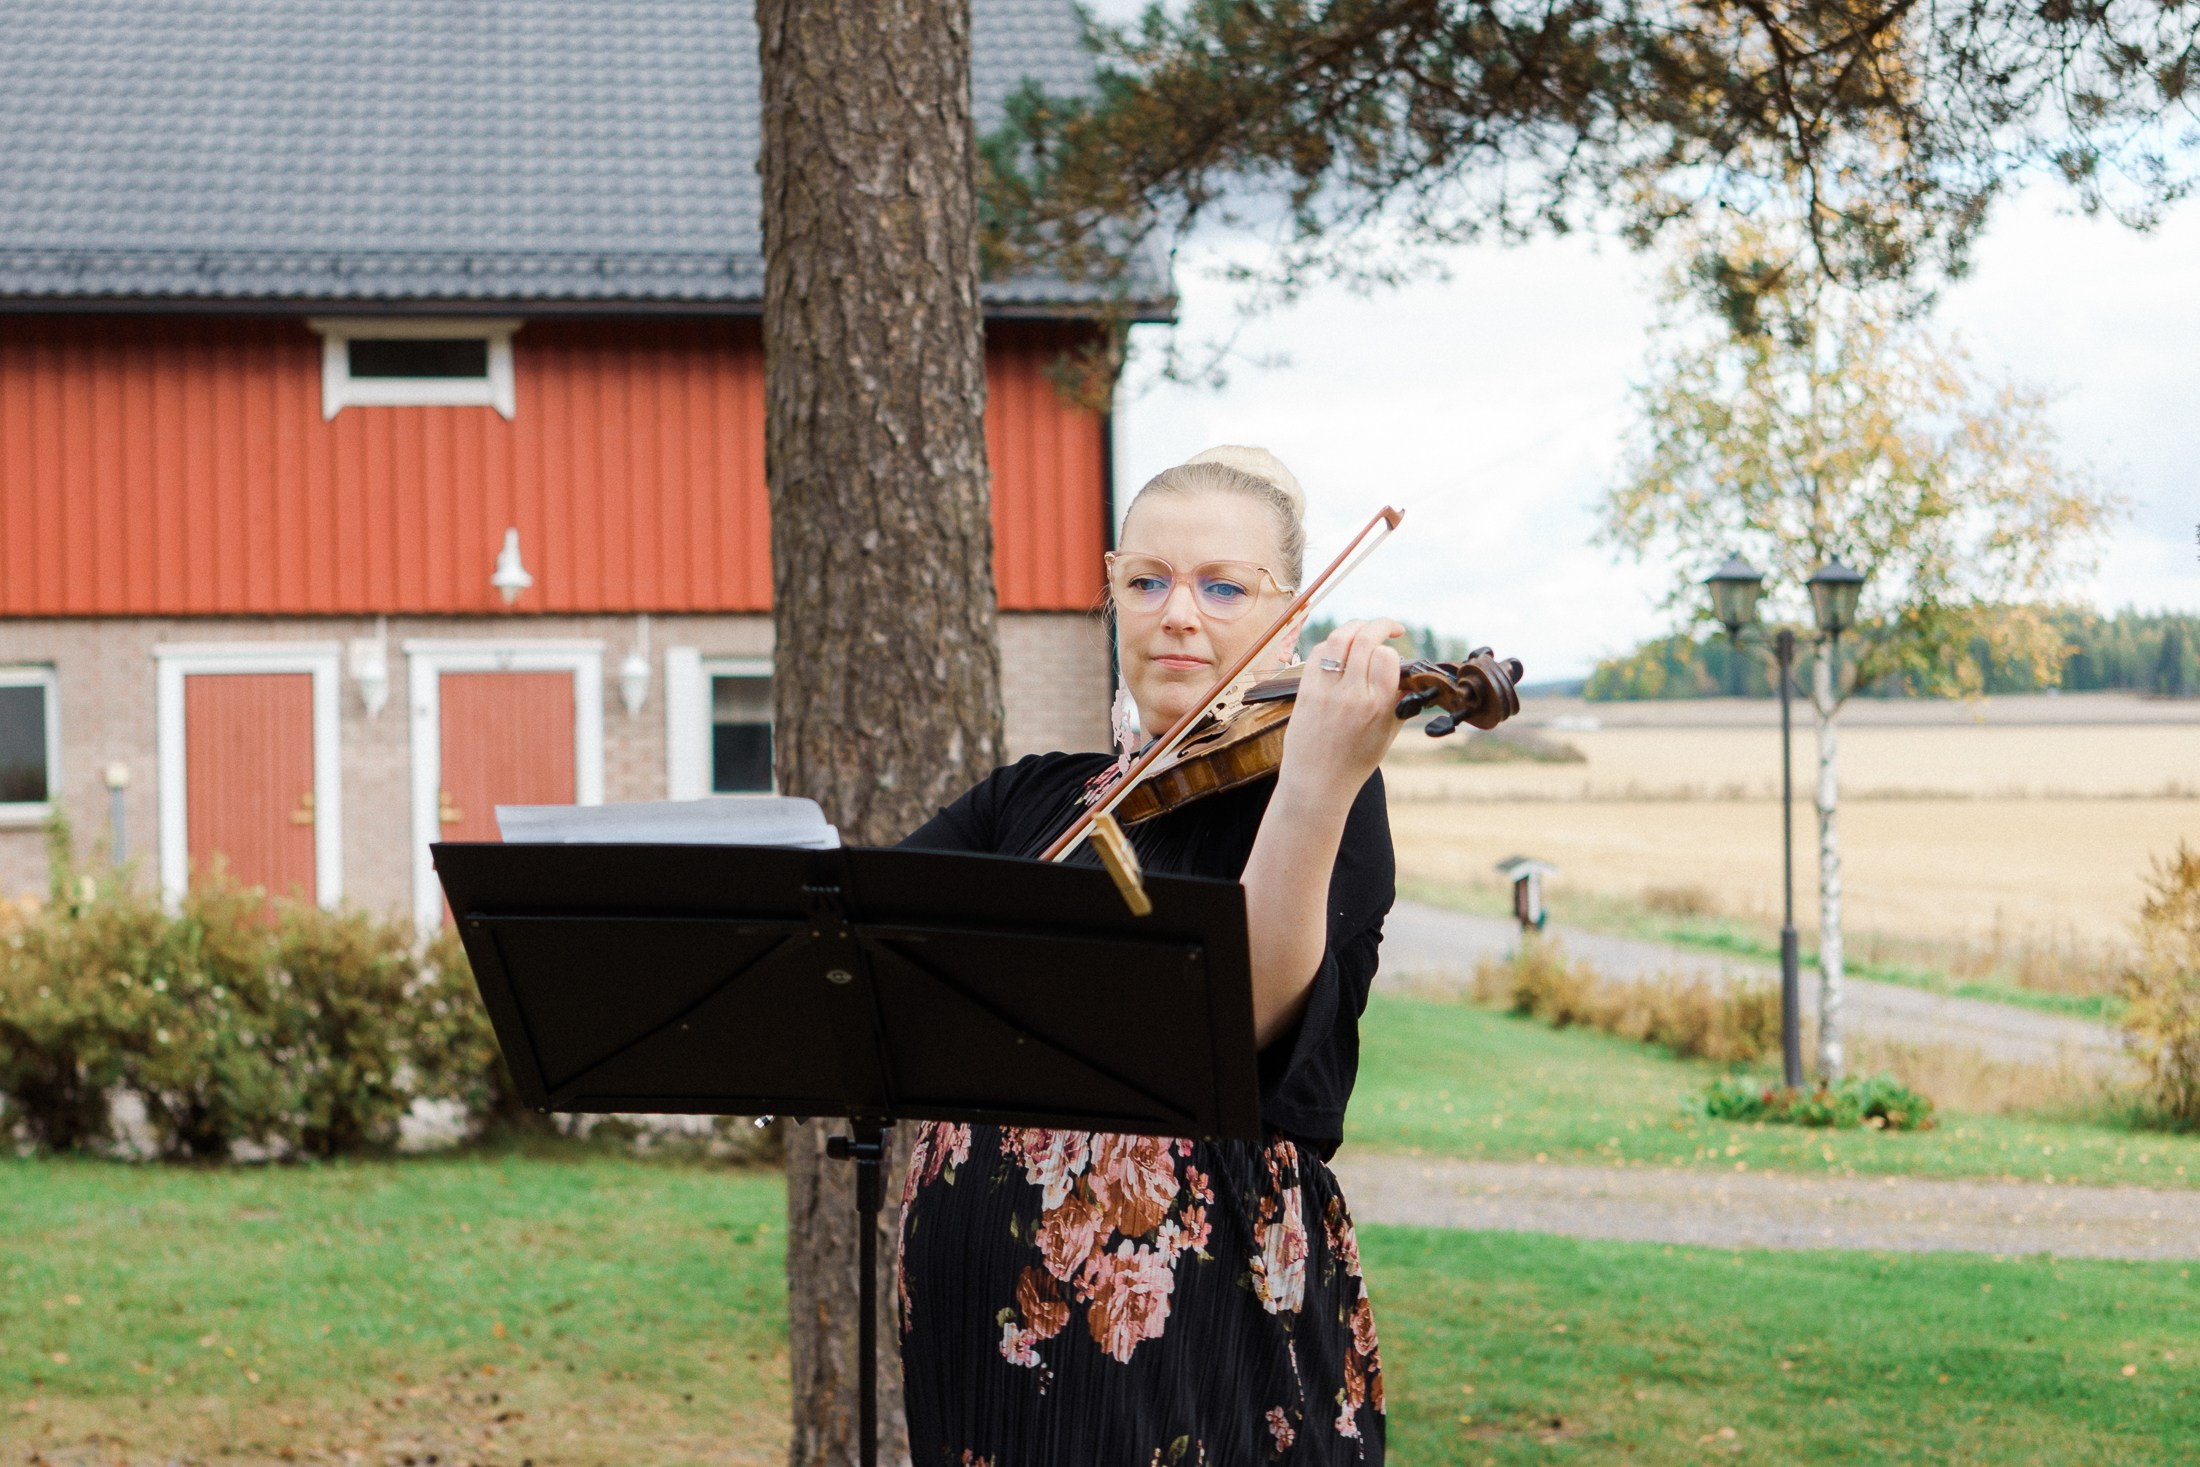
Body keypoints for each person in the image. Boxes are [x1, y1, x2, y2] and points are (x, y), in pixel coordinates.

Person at [897, 446, 1403, 1464]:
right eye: (1148, 581)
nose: (1180, 613)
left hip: (1197, 1312)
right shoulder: (1028, 799)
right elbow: (879, 953)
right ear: (1112, 592)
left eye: (1224, 586)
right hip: (976, 1302)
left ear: (1290, 616)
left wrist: (1313, 779)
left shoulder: (1314, 799)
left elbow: (1243, 1023)